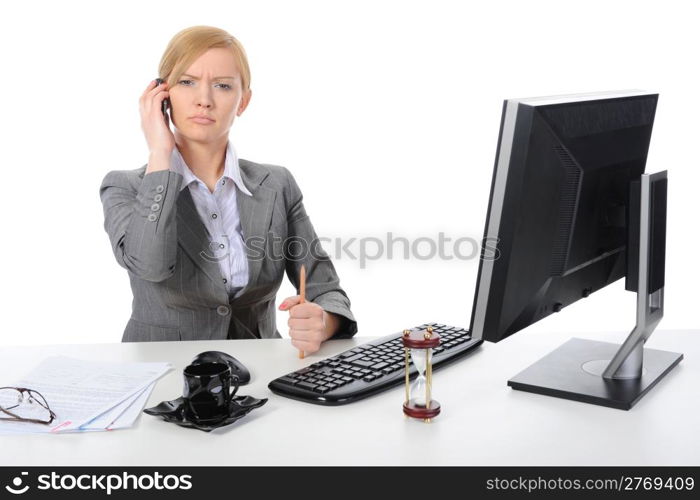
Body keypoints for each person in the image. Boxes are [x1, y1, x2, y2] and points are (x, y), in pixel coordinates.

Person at [99, 26, 357, 353]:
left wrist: (323, 321)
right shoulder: (126, 186)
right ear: (161, 95)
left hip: (260, 376)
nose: (204, 100)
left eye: (222, 86)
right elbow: (151, 266)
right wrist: (159, 154)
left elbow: (326, 288)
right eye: (187, 82)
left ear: (243, 101)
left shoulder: (276, 185)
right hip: (161, 377)